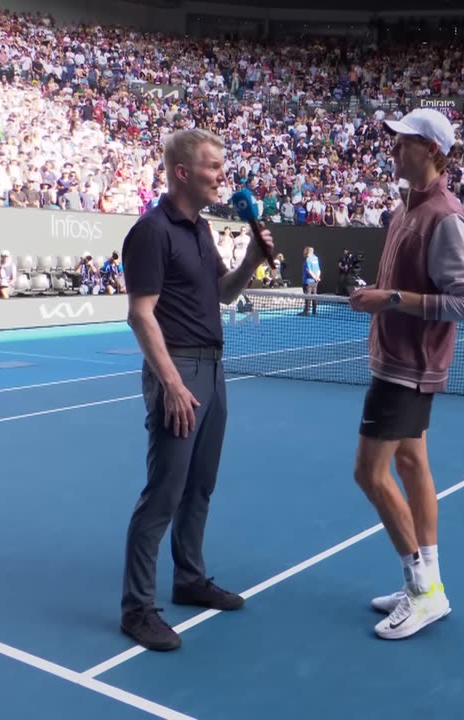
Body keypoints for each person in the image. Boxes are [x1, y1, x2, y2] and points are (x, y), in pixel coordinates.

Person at [118, 128, 274, 652]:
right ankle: (137, 608)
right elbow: (140, 316)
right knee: (163, 493)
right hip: (178, 371)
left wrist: (253, 258)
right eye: (212, 168)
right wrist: (171, 384)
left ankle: (189, 578)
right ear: (183, 172)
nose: (221, 177)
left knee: (200, 486)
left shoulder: (203, 232)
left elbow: (224, 295)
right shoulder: (150, 231)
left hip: (214, 367)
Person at [347, 108, 464, 641]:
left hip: (409, 370)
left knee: (369, 473)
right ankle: (429, 586)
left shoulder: (445, 216)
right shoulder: (403, 207)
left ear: (430, 149)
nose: (393, 148)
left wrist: (392, 299)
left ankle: (423, 591)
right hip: (394, 360)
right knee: (410, 462)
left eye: (403, 141)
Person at [300, 245, 320, 315]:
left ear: (307, 252)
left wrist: (314, 277)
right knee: (314, 296)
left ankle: (307, 311)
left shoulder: (308, 259)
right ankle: (314, 311)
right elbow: (318, 270)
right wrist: (317, 277)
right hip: (315, 282)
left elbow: (309, 271)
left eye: (305, 251)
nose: (304, 252)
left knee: (307, 296)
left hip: (308, 281)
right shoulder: (316, 258)